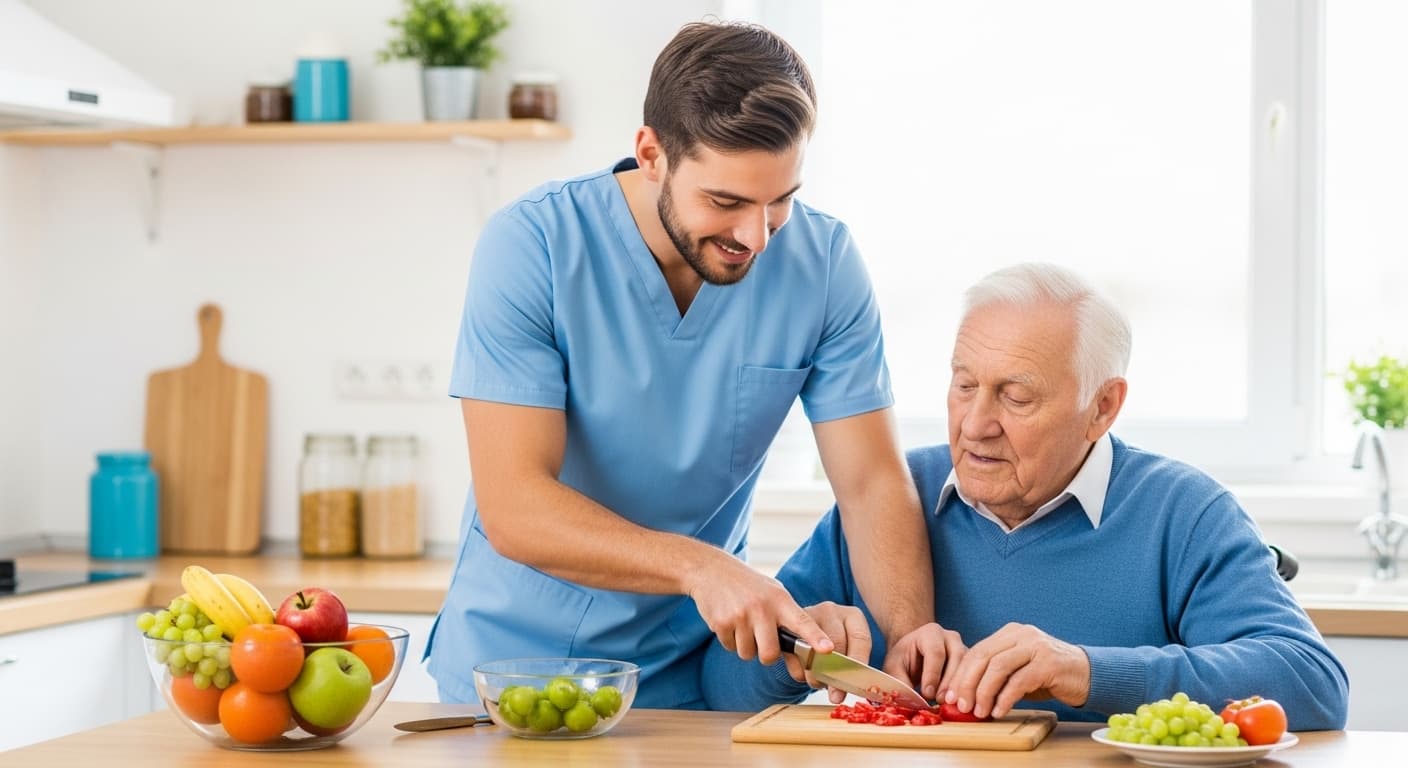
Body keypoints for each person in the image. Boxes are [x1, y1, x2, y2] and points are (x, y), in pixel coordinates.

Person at [424, 20, 934, 709]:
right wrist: (702, 567)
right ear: (652, 153)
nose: (756, 237)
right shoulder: (533, 244)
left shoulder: (825, 265)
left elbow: (872, 482)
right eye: (725, 202)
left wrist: (912, 636)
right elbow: (514, 504)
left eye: (780, 200)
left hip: (677, 682)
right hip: (508, 675)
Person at [700, 263, 1349, 730]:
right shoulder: (888, 499)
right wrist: (796, 659)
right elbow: (718, 691)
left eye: (1016, 396)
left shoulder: (1183, 512)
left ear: (1102, 407)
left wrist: (1088, 672)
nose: (975, 423)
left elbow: (1312, 683)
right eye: (963, 385)